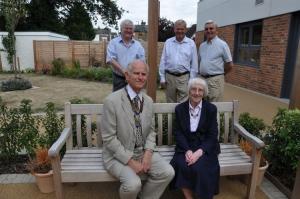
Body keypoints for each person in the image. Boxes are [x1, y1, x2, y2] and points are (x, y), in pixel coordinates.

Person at [101, 60, 175, 199]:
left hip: (142, 152)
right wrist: (130, 161)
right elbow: (108, 139)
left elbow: (152, 131)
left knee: (167, 172)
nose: (140, 77)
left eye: (143, 74)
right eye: (136, 73)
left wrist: (147, 154)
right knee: (133, 184)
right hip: (117, 156)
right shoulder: (112, 101)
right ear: (127, 76)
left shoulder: (148, 101)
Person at [170, 77, 220, 199]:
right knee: (181, 165)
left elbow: (212, 135)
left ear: (204, 93)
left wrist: (198, 152)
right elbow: (178, 133)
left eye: (200, 90)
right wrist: (187, 150)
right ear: (189, 91)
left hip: (205, 147)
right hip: (185, 145)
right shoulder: (180, 109)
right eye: (193, 89)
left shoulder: (210, 109)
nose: (196, 93)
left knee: (201, 168)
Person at [159, 19, 198, 103]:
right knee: (170, 102)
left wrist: (191, 80)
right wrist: (162, 77)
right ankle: (172, 117)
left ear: (185, 29)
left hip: (184, 78)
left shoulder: (191, 43)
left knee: (184, 104)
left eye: (182, 29)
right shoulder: (168, 42)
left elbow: (194, 64)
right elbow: (163, 60)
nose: (179, 31)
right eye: (177, 29)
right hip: (170, 77)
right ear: (174, 29)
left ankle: (181, 116)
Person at [198, 20, 233, 102]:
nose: (208, 31)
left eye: (211, 28)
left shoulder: (222, 45)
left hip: (215, 81)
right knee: (202, 105)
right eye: (206, 29)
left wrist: (221, 74)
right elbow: (199, 61)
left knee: (215, 107)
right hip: (202, 80)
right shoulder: (202, 46)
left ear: (216, 30)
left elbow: (230, 65)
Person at [106, 19, 145, 91]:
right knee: (118, 100)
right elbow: (111, 59)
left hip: (135, 79)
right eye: (126, 28)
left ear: (133, 31)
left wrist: (135, 75)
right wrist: (125, 72)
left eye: (130, 29)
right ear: (121, 29)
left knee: (134, 99)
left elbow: (142, 62)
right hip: (119, 78)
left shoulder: (138, 45)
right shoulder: (113, 43)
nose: (128, 30)